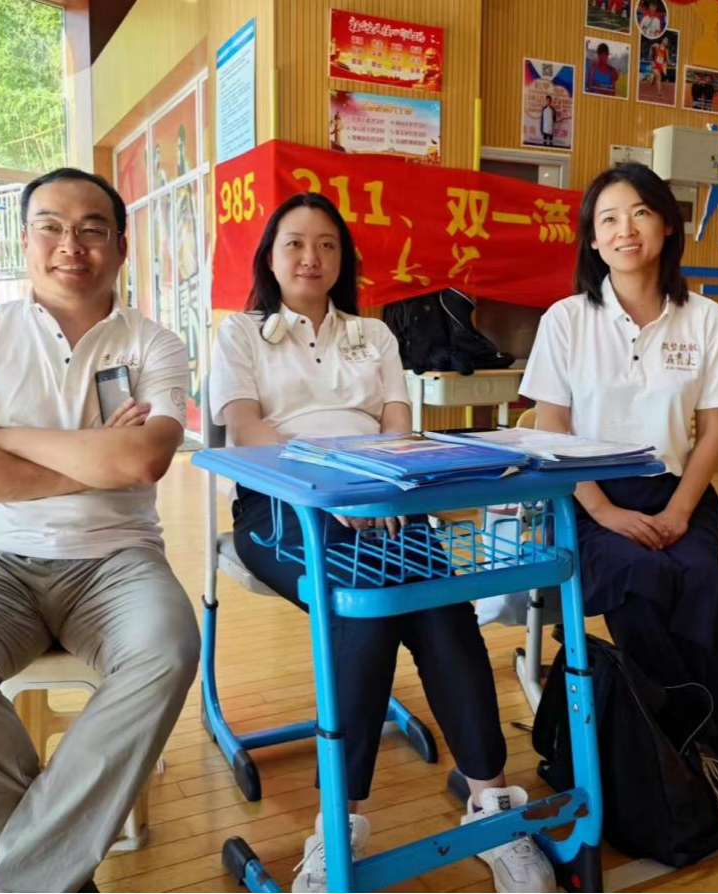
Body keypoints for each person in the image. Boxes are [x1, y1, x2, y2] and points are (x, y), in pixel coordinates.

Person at [209, 192, 556, 894]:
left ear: (344, 259)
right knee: (366, 604)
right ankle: (338, 827)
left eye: (327, 245)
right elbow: (245, 428)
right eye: (295, 243)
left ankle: (491, 806)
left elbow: (399, 426)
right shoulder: (240, 334)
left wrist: (378, 489)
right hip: (283, 505)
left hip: (385, 500)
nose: (311, 257)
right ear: (270, 257)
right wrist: (333, 491)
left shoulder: (375, 334)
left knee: (444, 603)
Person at [0, 168, 200, 894]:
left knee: (167, 649)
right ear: (24, 240)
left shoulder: (156, 344)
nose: (72, 244)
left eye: (93, 228)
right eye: (52, 227)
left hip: (118, 559)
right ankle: (46, 870)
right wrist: (95, 460)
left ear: (120, 245)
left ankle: (19, 876)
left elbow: (141, 460)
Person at [519, 163, 718, 839]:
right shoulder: (566, 320)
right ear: (592, 239)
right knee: (637, 576)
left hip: (678, 492)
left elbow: (715, 431)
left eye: (641, 213)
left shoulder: (706, 319)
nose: (626, 229)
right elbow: (549, 429)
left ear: (667, 225)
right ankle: (698, 743)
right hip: (584, 498)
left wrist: (678, 511)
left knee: (701, 577)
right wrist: (603, 512)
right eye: (609, 219)